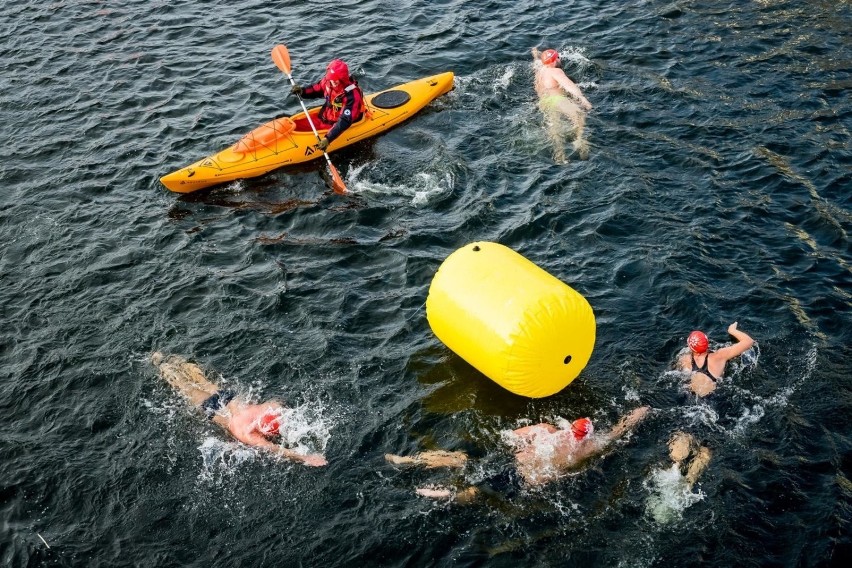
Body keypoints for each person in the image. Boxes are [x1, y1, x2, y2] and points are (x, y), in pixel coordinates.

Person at [385, 406, 650, 501]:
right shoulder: (588, 448)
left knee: (463, 460)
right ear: (588, 435)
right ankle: (447, 495)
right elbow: (618, 432)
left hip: (512, 459)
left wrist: (523, 446)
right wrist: (639, 414)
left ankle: (407, 460)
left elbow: (511, 435)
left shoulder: (548, 430)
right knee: (478, 492)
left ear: (571, 426)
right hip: (525, 478)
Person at [151, 352, 327, 466]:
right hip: (215, 411)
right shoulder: (250, 434)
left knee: (204, 381)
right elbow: (277, 450)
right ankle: (161, 365)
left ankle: (167, 360)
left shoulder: (266, 408)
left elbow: (278, 403)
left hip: (229, 400)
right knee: (186, 388)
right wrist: (305, 458)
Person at [531, 47, 593, 163]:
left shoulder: (539, 72)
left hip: (543, 102)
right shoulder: (555, 71)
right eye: (558, 58)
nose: (560, 60)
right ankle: (578, 140)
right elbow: (569, 85)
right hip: (558, 99)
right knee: (578, 116)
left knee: (555, 127)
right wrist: (582, 99)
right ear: (554, 61)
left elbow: (536, 63)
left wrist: (535, 54)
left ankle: (559, 153)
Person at [290, 59, 365, 151]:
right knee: (294, 126)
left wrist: (328, 139)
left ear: (342, 78)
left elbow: (344, 121)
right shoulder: (328, 81)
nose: (333, 81)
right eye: (331, 78)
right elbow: (316, 89)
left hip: (334, 126)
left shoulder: (352, 96)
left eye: (336, 79)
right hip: (322, 118)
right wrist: (302, 91)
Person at [677, 322, 755, 397]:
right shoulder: (719, 356)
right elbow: (749, 341)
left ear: (690, 347)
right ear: (707, 343)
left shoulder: (684, 359)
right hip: (714, 397)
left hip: (690, 395)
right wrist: (732, 330)